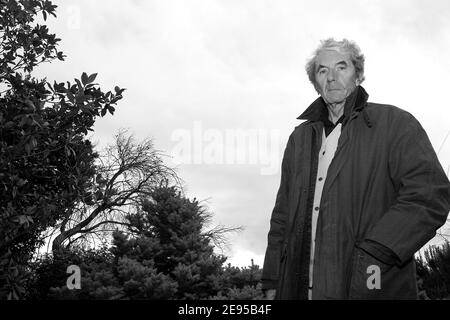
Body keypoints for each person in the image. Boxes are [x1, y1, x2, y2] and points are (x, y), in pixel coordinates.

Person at [261, 38, 450, 300]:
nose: (331, 77)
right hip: (295, 289)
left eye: (342, 67)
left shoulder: (395, 124)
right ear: (315, 82)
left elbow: (428, 196)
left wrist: (375, 251)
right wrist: (272, 280)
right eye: (322, 70)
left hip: (369, 285)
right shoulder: (299, 139)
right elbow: (282, 215)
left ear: (358, 74)